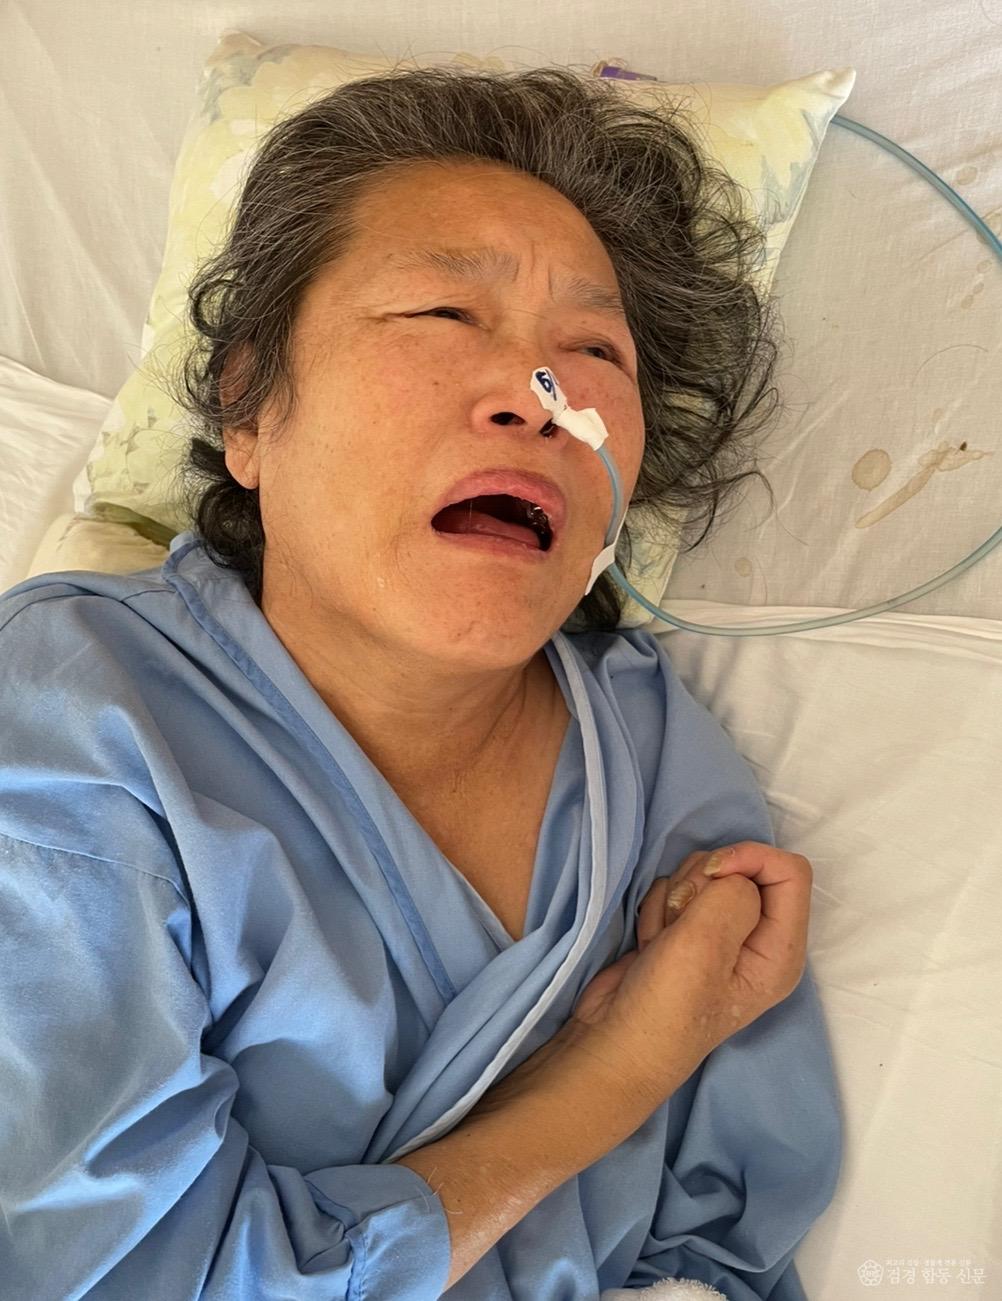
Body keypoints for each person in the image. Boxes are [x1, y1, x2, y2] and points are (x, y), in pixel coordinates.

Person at [0, 64, 841, 1299]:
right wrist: (617, 1069)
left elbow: (718, 1253)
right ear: (250, 410)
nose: (538, 399)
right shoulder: (68, 711)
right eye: (444, 313)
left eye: (593, 350)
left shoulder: (660, 764)